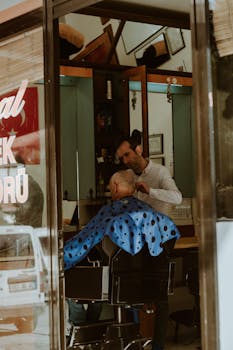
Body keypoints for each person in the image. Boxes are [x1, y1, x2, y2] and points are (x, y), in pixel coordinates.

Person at [115, 130, 182, 350]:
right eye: (122, 158)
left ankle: (158, 346)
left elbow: (177, 197)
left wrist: (151, 191)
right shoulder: (127, 176)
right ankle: (138, 341)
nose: (125, 161)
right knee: (134, 290)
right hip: (138, 241)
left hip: (161, 239)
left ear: (139, 150)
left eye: (127, 155)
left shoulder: (160, 172)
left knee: (158, 295)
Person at [64, 170, 180, 270]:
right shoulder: (148, 212)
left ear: (115, 186)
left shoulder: (110, 213)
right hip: (148, 280)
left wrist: (58, 258)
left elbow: (85, 240)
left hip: (116, 277)